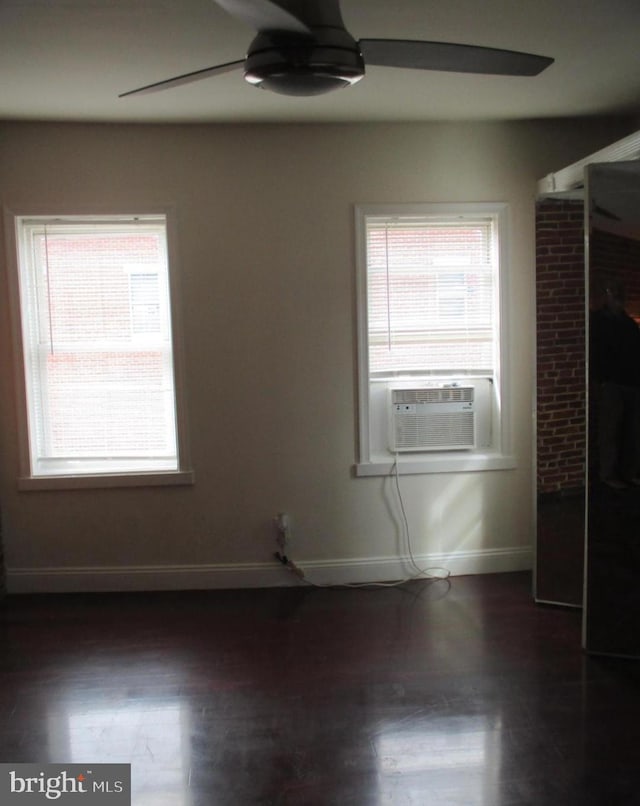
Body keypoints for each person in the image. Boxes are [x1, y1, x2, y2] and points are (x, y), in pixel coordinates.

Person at [590, 273, 640, 489]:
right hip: (611, 382)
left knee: (632, 430)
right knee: (610, 429)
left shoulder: (628, 324)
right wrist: (601, 379)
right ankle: (608, 474)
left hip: (631, 382)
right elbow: (596, 352)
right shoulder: (599, 321)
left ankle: (629, 472)